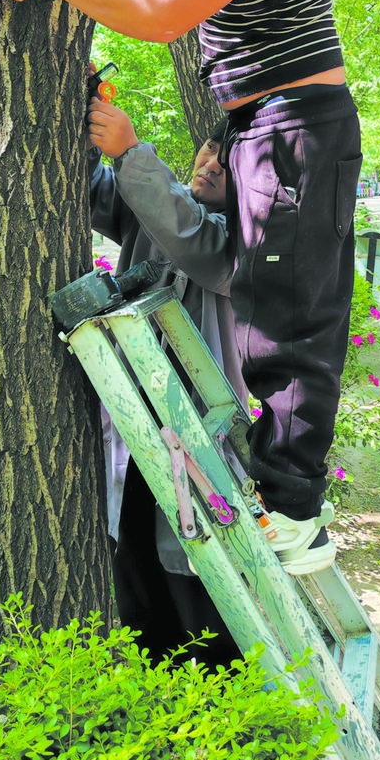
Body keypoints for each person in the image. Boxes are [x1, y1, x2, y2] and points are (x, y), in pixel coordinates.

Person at [0, 0, 361, 574]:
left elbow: (159, 12)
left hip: (301, 124)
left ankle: (296, 510)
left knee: (290, 320)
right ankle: (288, 499)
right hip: (264, 122)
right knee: (270, 301)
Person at [87, 94, 242, 665]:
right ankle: (157, 687)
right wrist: (87, 119)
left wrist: (131, 150)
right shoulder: (157, 206)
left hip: (196, 438)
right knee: (134, 558)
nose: (209, 163)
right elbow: (100, 190)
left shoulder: (237, 238)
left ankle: (217, 699)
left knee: (196, 564)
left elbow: (190, 235)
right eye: (209, 149)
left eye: (227, 166)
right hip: (133, 428)